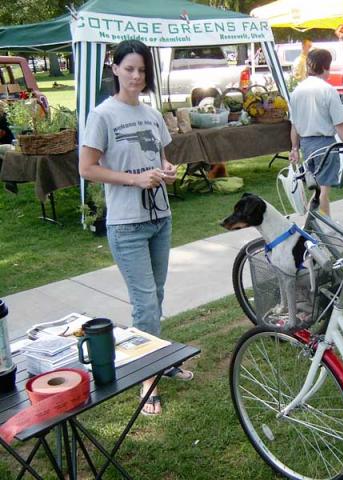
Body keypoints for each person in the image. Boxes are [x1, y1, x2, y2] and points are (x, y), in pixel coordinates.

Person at [79, 40, 191, 417]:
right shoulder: (102, 115)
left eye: (142, 70)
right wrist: (134, 180)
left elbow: (161, 157)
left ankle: (158, 357)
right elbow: (87, 168)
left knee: (156, 297)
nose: (136, 76)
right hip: (127, 224)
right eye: (129, 69)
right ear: (114, 69)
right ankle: (147, 379)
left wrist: (168, 171)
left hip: (160, 218)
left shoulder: (151, 113)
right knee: (144, 304)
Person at [289, 49, 343, 216]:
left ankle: (313, 223)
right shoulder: (328, 90)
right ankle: (326, 226)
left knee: (317, 187)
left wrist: (294, 148)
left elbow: (294, 125)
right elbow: (340, 124)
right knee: (323, 190)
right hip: (325, 143)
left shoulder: (297, 91)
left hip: (306, 145)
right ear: (326, 67)